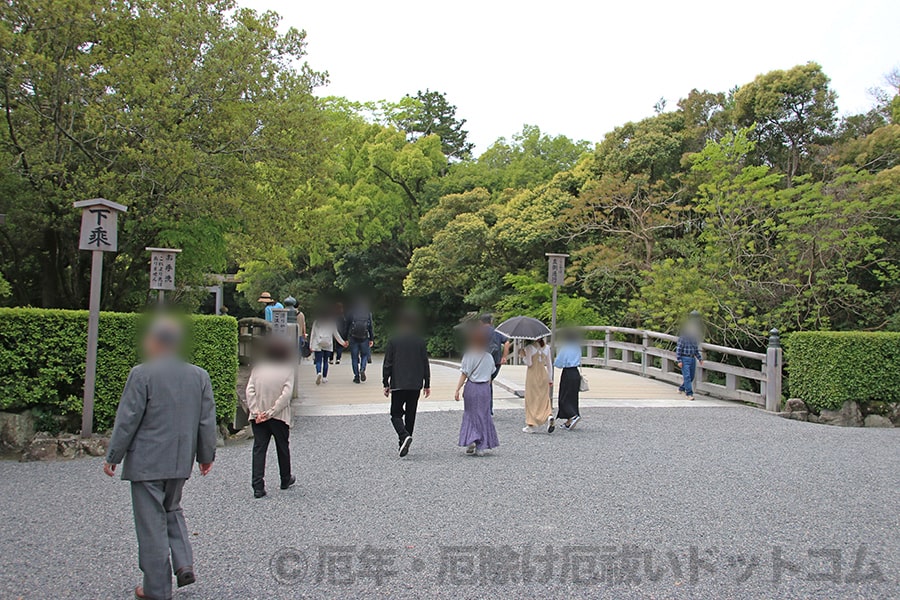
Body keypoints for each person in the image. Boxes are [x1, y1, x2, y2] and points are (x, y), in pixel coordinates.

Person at [103, 318, 217, 600]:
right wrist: (205, 455)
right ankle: (183, 562)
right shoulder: (198, 375)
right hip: (180, 461)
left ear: (155, 342)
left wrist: (113, 456)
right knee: (172, 508)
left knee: (151, 525)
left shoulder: (142, 374)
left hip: (147, 462)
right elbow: (206, 421)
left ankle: (156, 589)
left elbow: (128, 420)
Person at [246, 339, 296, 498]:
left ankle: (258, 485)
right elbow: (285, 396)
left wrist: (256, 412)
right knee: (282, 446)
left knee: (259, 448)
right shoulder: (287, 370)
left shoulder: (258, 369)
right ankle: (285, 478)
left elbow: (249, 391)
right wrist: (271, 412)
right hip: (278, 416)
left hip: (258, 416)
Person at [382, 310, 431, 457]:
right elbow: (425, 363)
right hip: (415, 383)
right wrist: (427, 383)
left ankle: (403, 436)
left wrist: (386, 382)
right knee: (411, 414)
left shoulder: (393, 340)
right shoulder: (420, 341)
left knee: (395, 414)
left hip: (398, 383)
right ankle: (404, 441)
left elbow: (388, 363)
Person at [454, 328, 500, 456]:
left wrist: (457, 389)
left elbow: (464, 374)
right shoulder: (489, 357)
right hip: (484, 388)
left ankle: (471, 440)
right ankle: (482, 445)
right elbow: (491, 376)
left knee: (470, 413)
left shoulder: (469, 354)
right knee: (483, 415)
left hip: (472, 387)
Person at [521, 337, 554, 433]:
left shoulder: (529, 348)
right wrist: (550, 378)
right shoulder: (547, 348)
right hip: (543, 374)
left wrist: (523, 355)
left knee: (531, 398)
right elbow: (549, 365)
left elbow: (529, 363)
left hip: (532, 375)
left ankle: (531, 424)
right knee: (544, 398)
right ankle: (549, 416)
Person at [309, 307, 348, 385]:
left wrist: (310, 345)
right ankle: (324, 377)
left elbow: (313, 334)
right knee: (326, 361)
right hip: (328, 344)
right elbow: (336, 334)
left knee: (318, 361)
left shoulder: (316, 322)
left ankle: (318, 372)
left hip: (318, 343)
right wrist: (343, 342)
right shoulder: (331, 322)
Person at [480, 314, 510, 413]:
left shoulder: (479, 331)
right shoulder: (497, 331)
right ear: (491, 321)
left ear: (481, 322)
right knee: (489, 383)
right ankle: (489, 408)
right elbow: (506, 342)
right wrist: (504, 357)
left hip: (482, 361)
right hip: (496, 361)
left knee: (482, 383)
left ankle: (483, 407)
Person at [555, 331, 583, 430]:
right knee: (573, 396)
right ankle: (569, 421)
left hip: (567, 372)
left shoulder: (566, 347)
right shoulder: (577, 347)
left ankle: (573, 415)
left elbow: (559, 362)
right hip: (576, 372)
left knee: (564, 396)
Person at [676, 315, 704, 401]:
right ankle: (689, 393)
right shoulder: (683, 338)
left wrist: (700, 358)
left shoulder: (694, 339)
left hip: (692, 358)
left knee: (691, 377)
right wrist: (679, 360)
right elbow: (678, 349)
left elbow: (695, 350)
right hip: (685, 358)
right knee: (687, 376)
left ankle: (681, 388)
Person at [347, 302, 374, 384]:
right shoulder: (368, 313)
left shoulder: (352, 313)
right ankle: (362, 369)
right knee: (364, 355)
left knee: (354, 358)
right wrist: (371, 339)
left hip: (353, 337)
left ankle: (356, 377)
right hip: (364, 337)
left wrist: (345, 338)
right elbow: (370, 327)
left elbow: (347, 326)